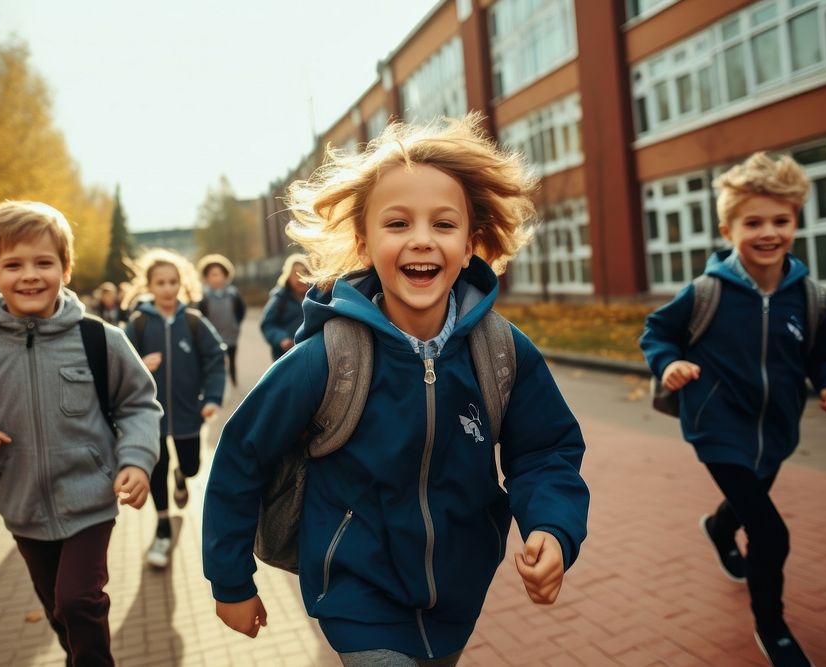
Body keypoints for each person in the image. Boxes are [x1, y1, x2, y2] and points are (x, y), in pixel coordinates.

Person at [203, 113, 590, 665]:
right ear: (364, 242)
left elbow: (547, 449)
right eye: (398, 223)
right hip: (355, 592)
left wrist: (553, 526)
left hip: (457, 593)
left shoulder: (501, 351)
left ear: (471, 241)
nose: (422, 240)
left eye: (444, 224)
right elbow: (241, 455)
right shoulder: (328, 357)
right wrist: (230, 580)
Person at [0, 201, 162, 666]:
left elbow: (138, 404)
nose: (29, 275)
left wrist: (135, 460)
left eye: (43, 262)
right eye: (13, 264)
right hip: (22, 505)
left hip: (90, 499)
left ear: (65, 269)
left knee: (77, 601)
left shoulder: (99, 338)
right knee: (58, 610)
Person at [639, 153, 826, 667]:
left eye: (780, 221)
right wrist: (669, 364)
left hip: (777, 430)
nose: (768, 233)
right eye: (752, 222)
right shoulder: (708, 292)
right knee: (770, 531)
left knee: (748, 502)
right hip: (716, 426)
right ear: (727, 227)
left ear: (796, 222)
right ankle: (773, 627)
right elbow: (659, 332)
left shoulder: (811, 298)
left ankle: (718, 527)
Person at [122, 248, 226, 568]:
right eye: (160, 283)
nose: (167, 289)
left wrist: (211, 398)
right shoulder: (138, 325)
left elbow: (215, 358)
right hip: (148, 417)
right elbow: (119, 366)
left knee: (192, 466)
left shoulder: (194, 322)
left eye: (173, 282)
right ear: (149, 286)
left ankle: (182, 476)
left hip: (187, 413)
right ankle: (163, 526)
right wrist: (140, 364)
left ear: (181, 284)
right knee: (156, 468)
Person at [196, 253, 246, 387]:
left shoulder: (233, 293)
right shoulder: (203, 297)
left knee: (232, 358)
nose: (217, 278)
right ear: (206, 277)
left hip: (231, 333)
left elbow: (241, 311)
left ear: (225, 275)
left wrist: (235, 324)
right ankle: (218, 384)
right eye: (213, 274)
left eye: (219, 274)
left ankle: (233, 379)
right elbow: (200, 316)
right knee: (215, 360)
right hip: (212, 335)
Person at [259, 253, 309, 361]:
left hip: (311, 354)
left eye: (304, 273)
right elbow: (267, 324)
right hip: (286, 356)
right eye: (296, 274)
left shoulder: (317, 297)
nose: (300, 278)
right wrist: (281, 338)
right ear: (288, 277)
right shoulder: (280, 298)